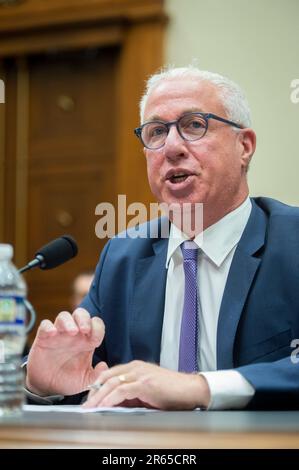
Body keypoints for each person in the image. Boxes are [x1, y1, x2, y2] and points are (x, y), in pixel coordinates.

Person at [25, 66, 299, 410]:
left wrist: (201, 388)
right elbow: (83, 379)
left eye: (194, 125)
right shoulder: (122, 257)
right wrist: (44, 384)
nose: (171, 147)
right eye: (156, 132)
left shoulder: (292, 240)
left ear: (244, 146)